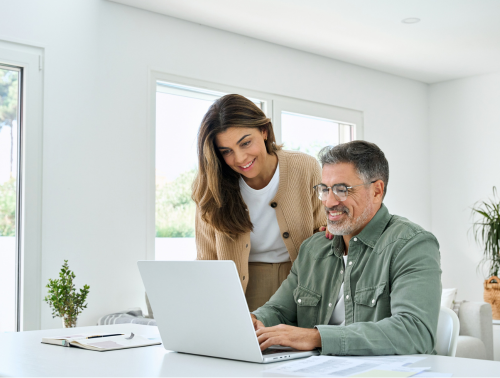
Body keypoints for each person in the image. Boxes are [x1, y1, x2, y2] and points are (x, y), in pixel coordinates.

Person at [251, 140, 442, 355]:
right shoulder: (313, 249)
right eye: (324, 189)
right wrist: (255, 321)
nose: (329, 202)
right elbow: (278, 310)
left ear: (377, 191)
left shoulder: (412, 244)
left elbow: (415, 333)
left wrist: (316, 337)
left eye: (342, 190)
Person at [192, 94, 329, 311]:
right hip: (241, 290)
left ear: (264, 131)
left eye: (245, 143)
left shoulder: (305, 168)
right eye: (226, 151)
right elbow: (207, 258)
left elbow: (323, 233)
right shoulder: (211, 185)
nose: (239, 159)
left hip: (300, 284)